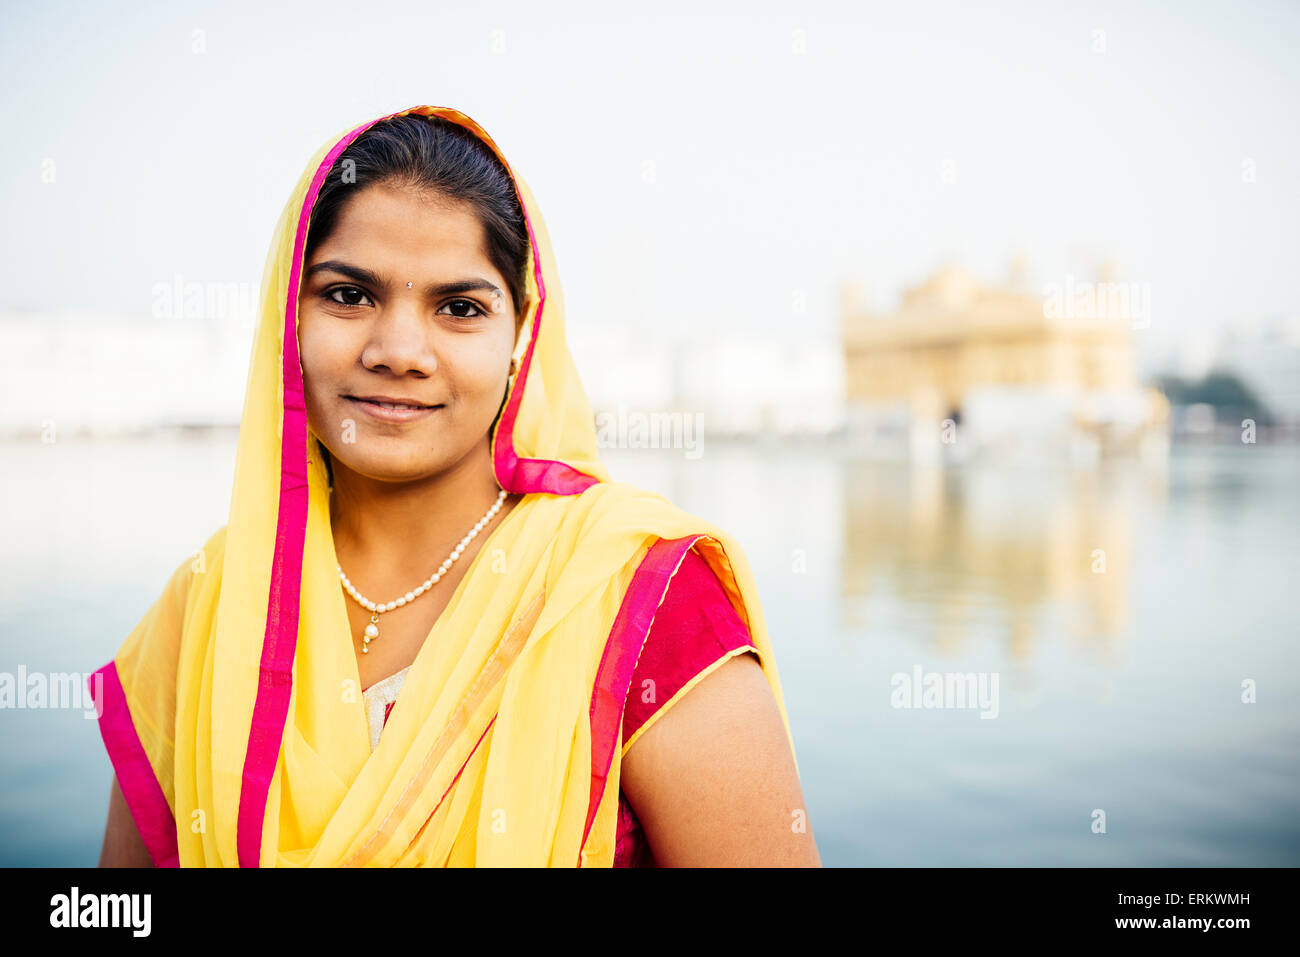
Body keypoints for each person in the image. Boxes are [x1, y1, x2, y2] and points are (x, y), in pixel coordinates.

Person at [89, 105, 819, 867]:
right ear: (287, 317)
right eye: (348, 294)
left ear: (521, 337)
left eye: (460, 308)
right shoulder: (209, 603)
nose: (400, 350)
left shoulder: (638, 597)